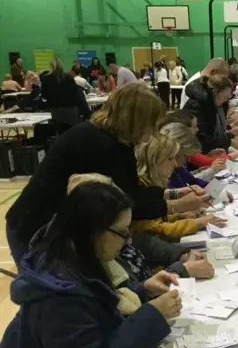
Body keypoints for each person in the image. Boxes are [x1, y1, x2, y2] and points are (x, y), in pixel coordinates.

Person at [5, 83, 211, 264]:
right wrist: (175, 205)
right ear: (135, 119)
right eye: (150, 123)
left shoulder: (120, 140)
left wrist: (173, 195)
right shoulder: (99, 145)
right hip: (35, 228)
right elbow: (126, 203)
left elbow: (132, 189)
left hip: (52, 228)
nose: (152, 131)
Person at [0, 182, 181, 348]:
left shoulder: (78, 259)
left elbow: (96, 304)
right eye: (123, 232)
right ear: (94, 232)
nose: (129, 240)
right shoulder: (60, 298)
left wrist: (143, 289)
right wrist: (152, 316)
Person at [67, 173, 215, 281]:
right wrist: (182, 270)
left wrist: (182, 254)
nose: (129, 239)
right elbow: (135, 297)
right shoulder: (94, 267)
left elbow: (148, 244)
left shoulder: (113, 239)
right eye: (122, 232)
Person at [132, 134, 226, 240]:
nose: (175, 164)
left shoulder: (152, 184)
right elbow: (155, 229)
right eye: (170, 158)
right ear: (154, 160)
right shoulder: (139, 188)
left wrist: (181, 216)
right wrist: (198, 223)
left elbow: (159, 217)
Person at [182, 75, 238, 158]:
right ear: (216, 92)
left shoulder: (213, 103)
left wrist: (231, 135)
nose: (225, 101)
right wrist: (229, 141)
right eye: (224, 97)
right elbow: (202, 138)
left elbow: (214, 128)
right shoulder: (198, 106)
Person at [160, 122, 226, 189]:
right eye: (186, 157)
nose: (188, 160)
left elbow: (192, 181)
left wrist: (213, 188)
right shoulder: (165, 174)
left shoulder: (179, 168)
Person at [41, 57, 92, 133]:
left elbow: (44, 96)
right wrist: (87, 113)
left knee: (60, 134)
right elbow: (78, 96)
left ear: (50, 66)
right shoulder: (68, 77)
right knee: (73, 134)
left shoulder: (46, 79)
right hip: (71, 111)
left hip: (56, 111)